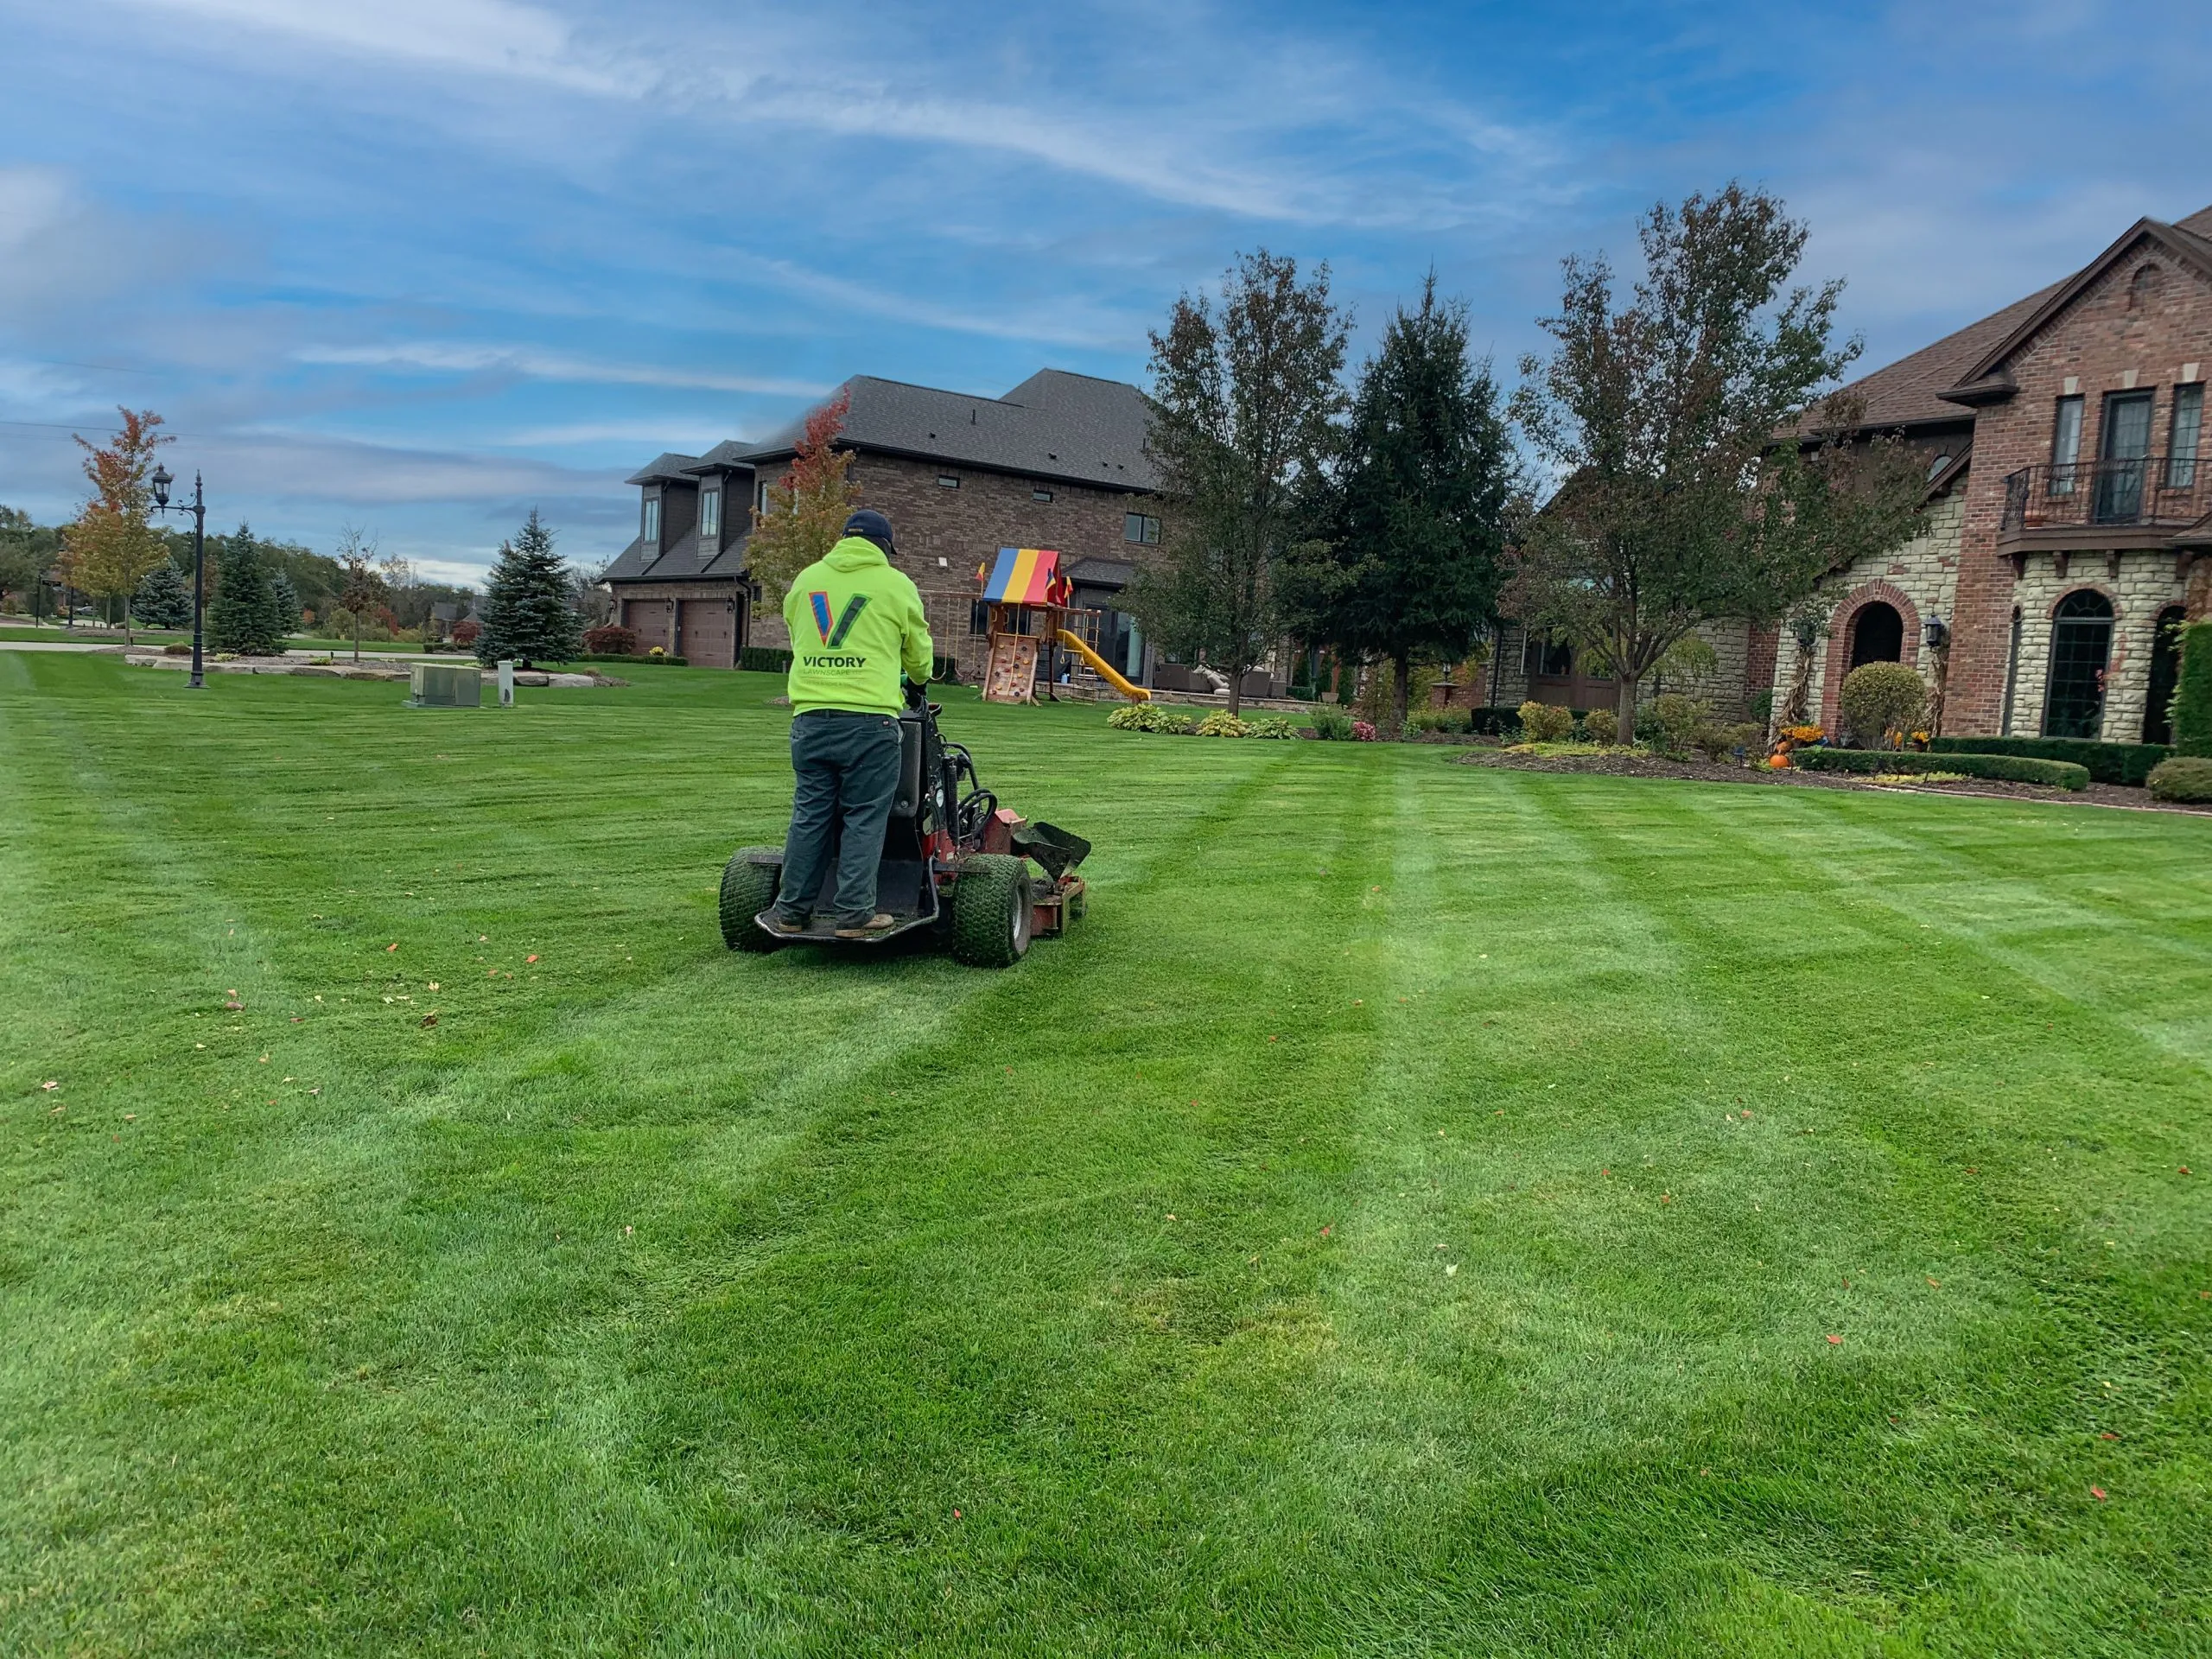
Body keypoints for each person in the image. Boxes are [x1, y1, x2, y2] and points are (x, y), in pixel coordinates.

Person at [761, 509, 935, 938]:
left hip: (810, 719)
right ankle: (854, 915)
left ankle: (791, 910)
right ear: (884, 547)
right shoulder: (895, 585)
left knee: (810, 815)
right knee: (864, 815)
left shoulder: (805, 581)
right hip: (868, 723)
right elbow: (918, 653)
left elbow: (796, 631)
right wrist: (917, 679)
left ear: (842, 540)